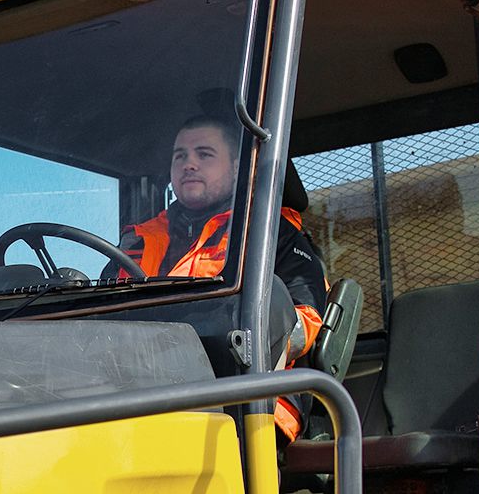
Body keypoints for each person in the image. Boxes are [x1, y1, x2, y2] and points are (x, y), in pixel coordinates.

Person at [118, 115, 329, 443]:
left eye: (204, 154)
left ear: (236, 168)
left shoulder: (270, 235)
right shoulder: (137, 241)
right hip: (137, 395)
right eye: (180, 156)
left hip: (246, 401)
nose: (189, 164)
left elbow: (301, 321)